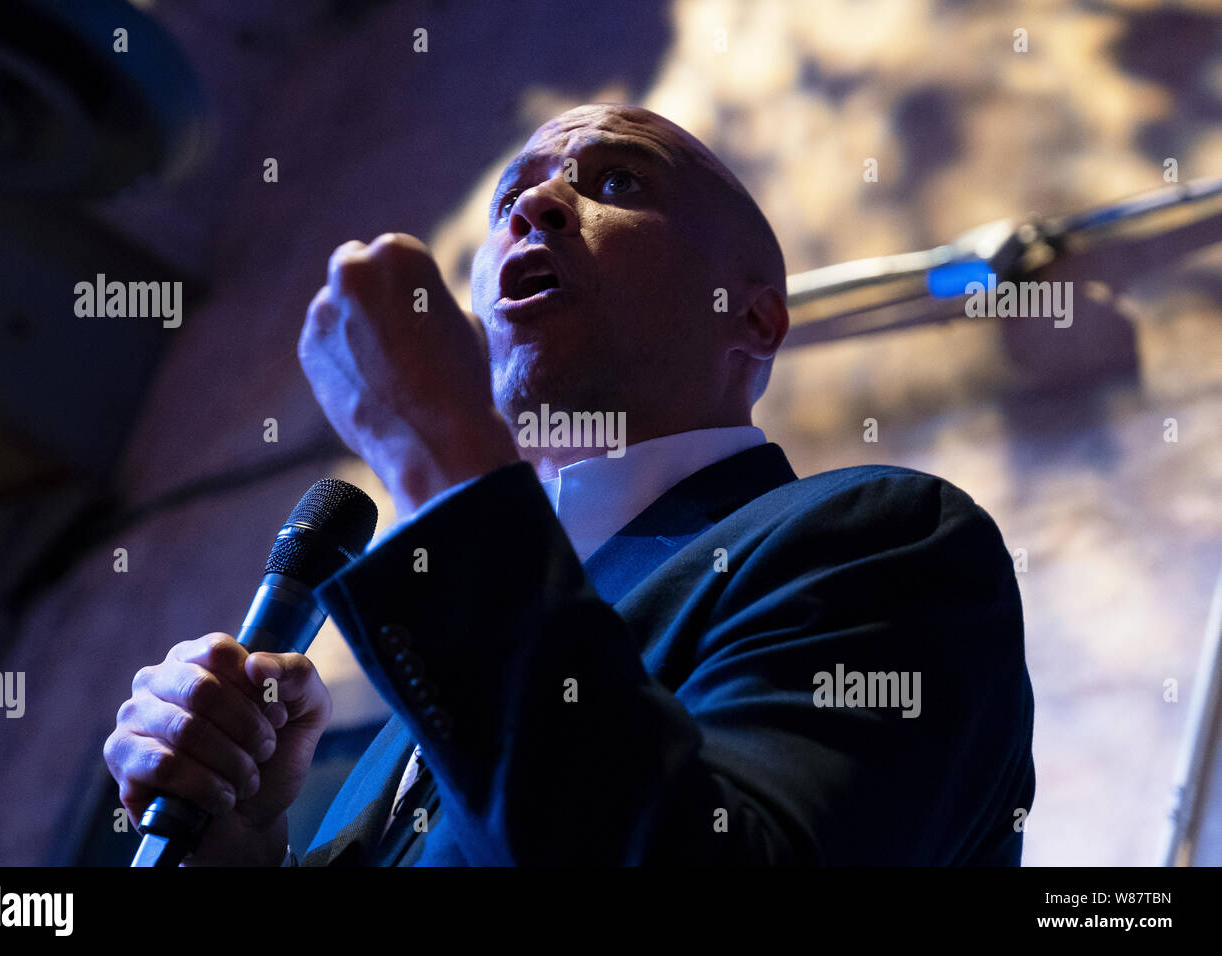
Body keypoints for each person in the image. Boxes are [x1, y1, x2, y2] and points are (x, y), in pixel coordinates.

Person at [104, 104, 1036, 866]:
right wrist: (244, 839)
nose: (538, 206)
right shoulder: (442, 678)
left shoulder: (884, 542)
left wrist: (441, 456)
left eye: (617, 181)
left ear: (753, 319)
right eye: (513, 195)